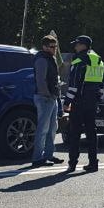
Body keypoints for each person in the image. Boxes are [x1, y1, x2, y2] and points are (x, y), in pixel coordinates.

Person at [64, 35, 104, 173]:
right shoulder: (99, 60)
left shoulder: (79, 60)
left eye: (77, 44)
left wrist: (67, 102)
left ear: (83, 45)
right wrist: (97, 100)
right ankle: (93, 163)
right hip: (92, 103)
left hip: (79, 102)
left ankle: (72, 164)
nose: (75, 47)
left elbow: (74, 84)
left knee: (75, 133)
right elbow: (102, 85)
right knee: (91, 133)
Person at [31, 33, 65, 168]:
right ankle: (37, 158)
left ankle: (49, 155)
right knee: (43, 129)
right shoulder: (42, 60)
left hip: (52, 98)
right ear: (44, 47)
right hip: (44, 98)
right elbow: (41, 80)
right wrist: (48, 95)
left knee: (52, 128)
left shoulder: (51, 58)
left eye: (55, 46)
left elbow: (54, 80)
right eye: (52, 46)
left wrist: (56, 97)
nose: (54, 48)